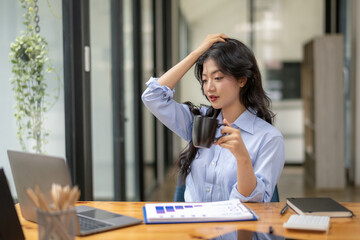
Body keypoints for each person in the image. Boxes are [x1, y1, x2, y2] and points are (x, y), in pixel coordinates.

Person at [142, 34, 285, 202]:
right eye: (204, 79)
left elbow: (255, 203)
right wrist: (196, 54)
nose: (209, 87)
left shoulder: (268, 138)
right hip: (193, 225)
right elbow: (153, 96)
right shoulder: (198, 122)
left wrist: (243, 158)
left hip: (235, 227)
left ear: (242, 80)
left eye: (218, 78)